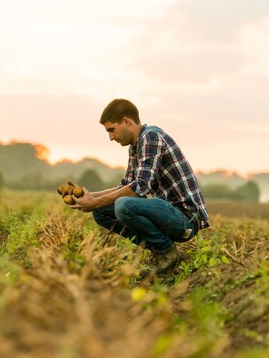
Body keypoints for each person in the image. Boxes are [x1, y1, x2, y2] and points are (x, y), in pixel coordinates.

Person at [71, 98, 209, 276]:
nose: (111, 137)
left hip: (185, 220)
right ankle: (158, 250)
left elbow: (141, 186)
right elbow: (127, 185)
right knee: (101, 212)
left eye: (111, 130)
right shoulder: (136, 146)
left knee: (123, 205)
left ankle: (166, 252)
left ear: (127, 121)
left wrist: (95, 202)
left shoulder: (151, 137)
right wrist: (90, 197)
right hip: (168, 214)